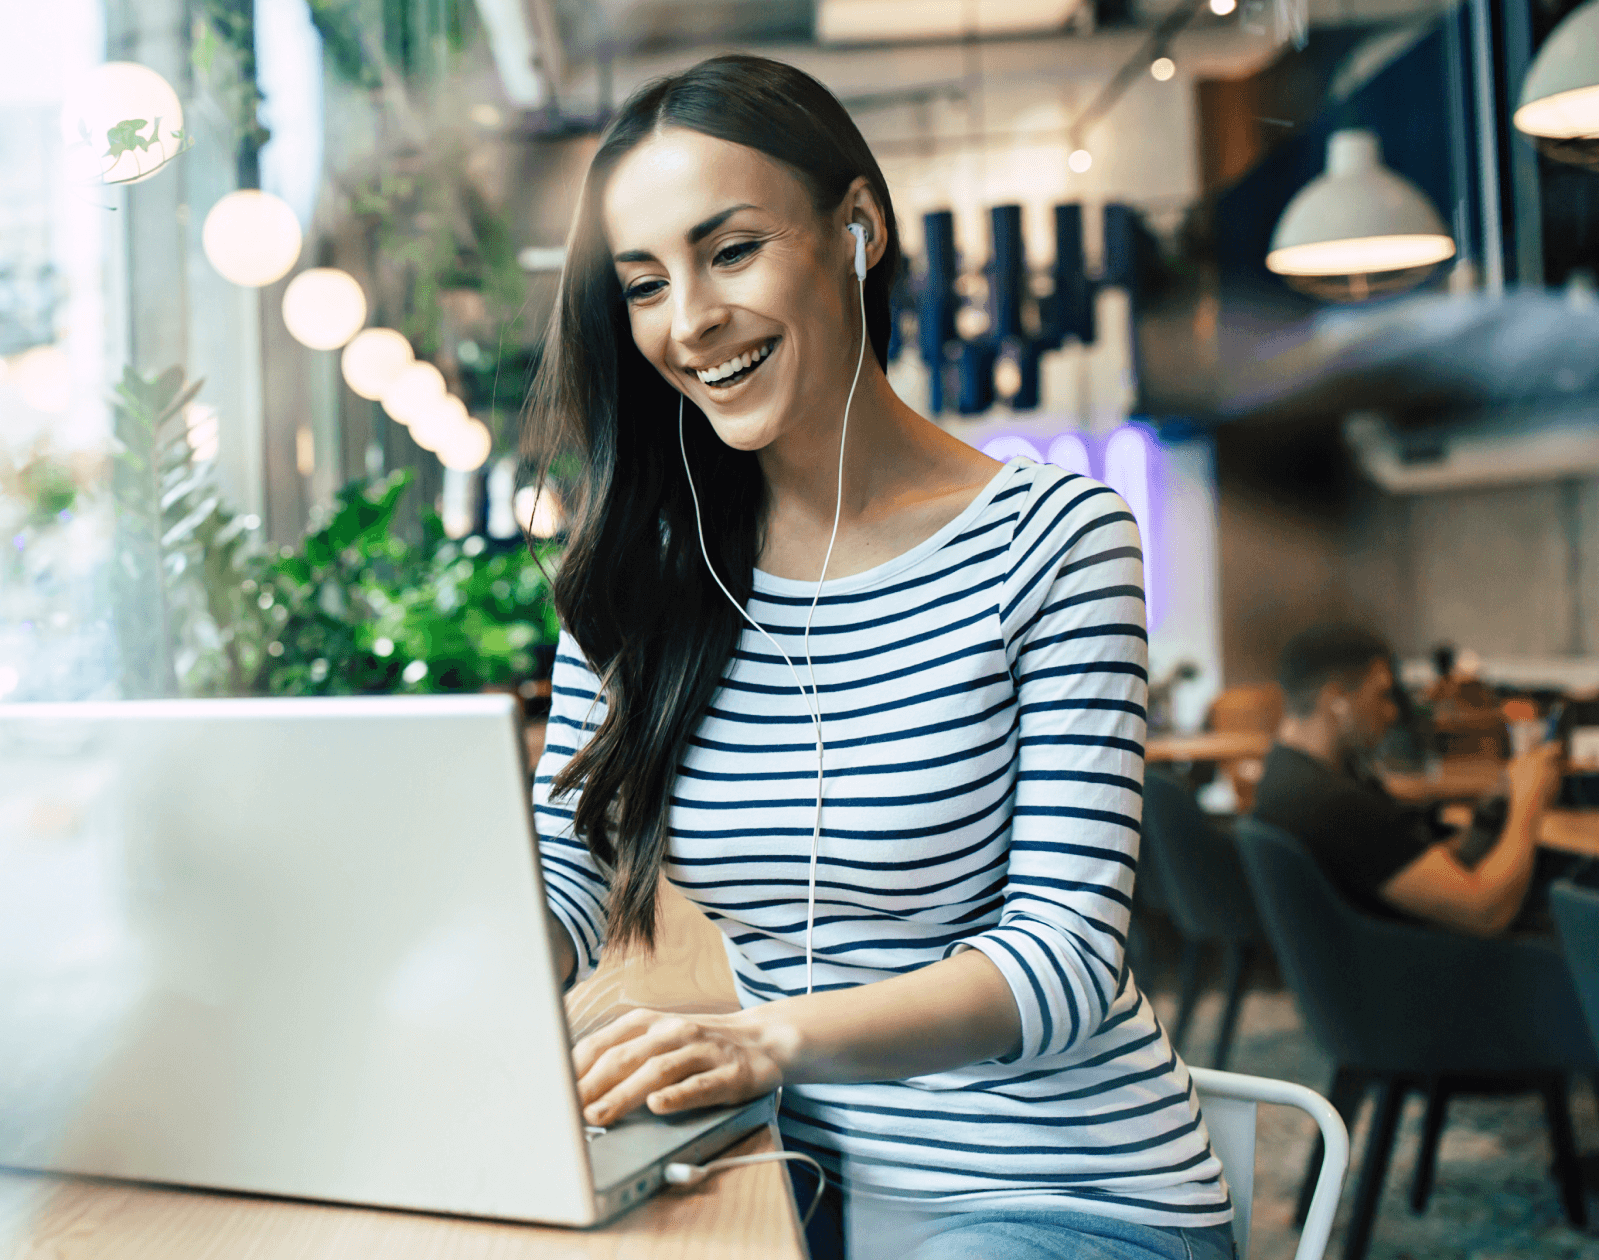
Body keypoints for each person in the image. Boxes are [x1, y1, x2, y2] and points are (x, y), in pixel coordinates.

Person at [524, 54, 1231, 1260]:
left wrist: (771, 1039)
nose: (689, 320)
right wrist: (444, 969)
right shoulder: (644, 570)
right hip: (781, 1169)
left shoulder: (1055, 541)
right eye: (645, 284)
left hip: (1058, 1198)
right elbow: (567, 878)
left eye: (731, 250)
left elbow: (1061, 961)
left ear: (857, 228)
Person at [1251, 624, 1563, 936]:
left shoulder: (1284, 773)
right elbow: (1486, 911)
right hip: (1428, 970)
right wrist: (1529, 800)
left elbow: (1405, 863)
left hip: (1364, 963)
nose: (1390, 713)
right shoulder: (1331, 801)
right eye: (1382, 695)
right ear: (1336, 699)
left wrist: (1491, 814)